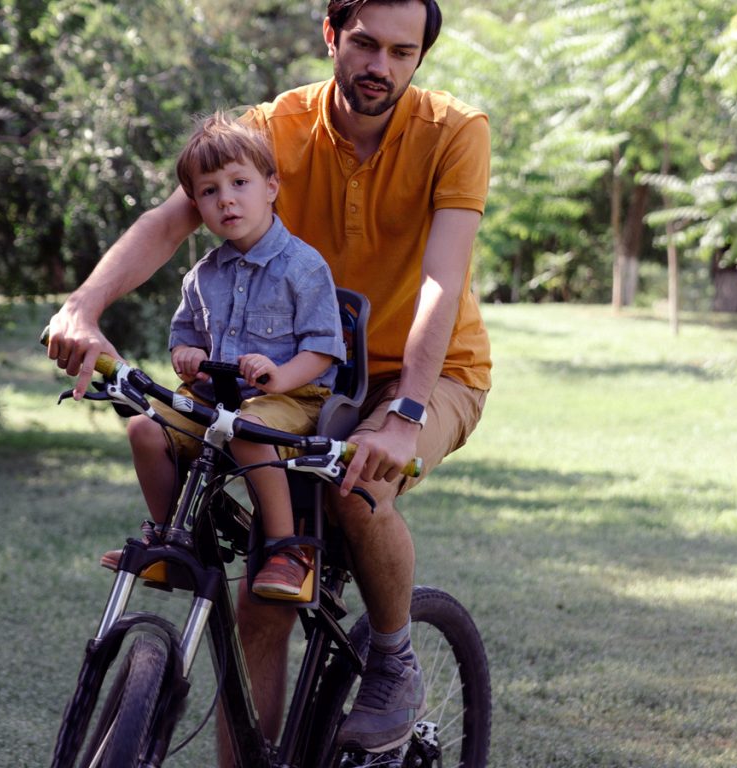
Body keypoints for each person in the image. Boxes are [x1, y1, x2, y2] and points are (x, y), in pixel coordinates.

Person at [46, 0, 491, 756]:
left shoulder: (454, 132)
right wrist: (83, 307)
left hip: (424, 370)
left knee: (359, 485)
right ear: (331, 35)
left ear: (419, 58)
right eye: (364, 44)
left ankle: (392, 657)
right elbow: (168, 220)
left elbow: (440, 285)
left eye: (401, 51)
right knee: (260, 602)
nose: (379, 65)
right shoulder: (275, 128)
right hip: (288, 383)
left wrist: (405, 411)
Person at [101, 112, 346, 600]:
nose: (226, 199)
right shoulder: (202, 275)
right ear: (195, 204)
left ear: (272, 186)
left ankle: (287, 549)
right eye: (209, 191)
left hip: (293, 398)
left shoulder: (303, 266)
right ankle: (173, 540)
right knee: (145, 428)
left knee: (245, 431)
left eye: (239, 182)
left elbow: (322, 349)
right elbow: (183, 336)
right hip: (215, 400)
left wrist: (277, 376)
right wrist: (187, 356)